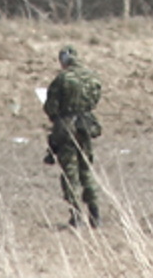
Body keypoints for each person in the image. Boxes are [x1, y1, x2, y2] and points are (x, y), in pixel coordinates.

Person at [43, 44, 103, 228]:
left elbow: (50, 107)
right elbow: (95, 100)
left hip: (67, 128)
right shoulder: (93, 76)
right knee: (86, 171)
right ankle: (95, 214)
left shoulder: (61, 79)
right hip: (86, 126)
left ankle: (76, 216)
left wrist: (57, 117)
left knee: (70, 174)